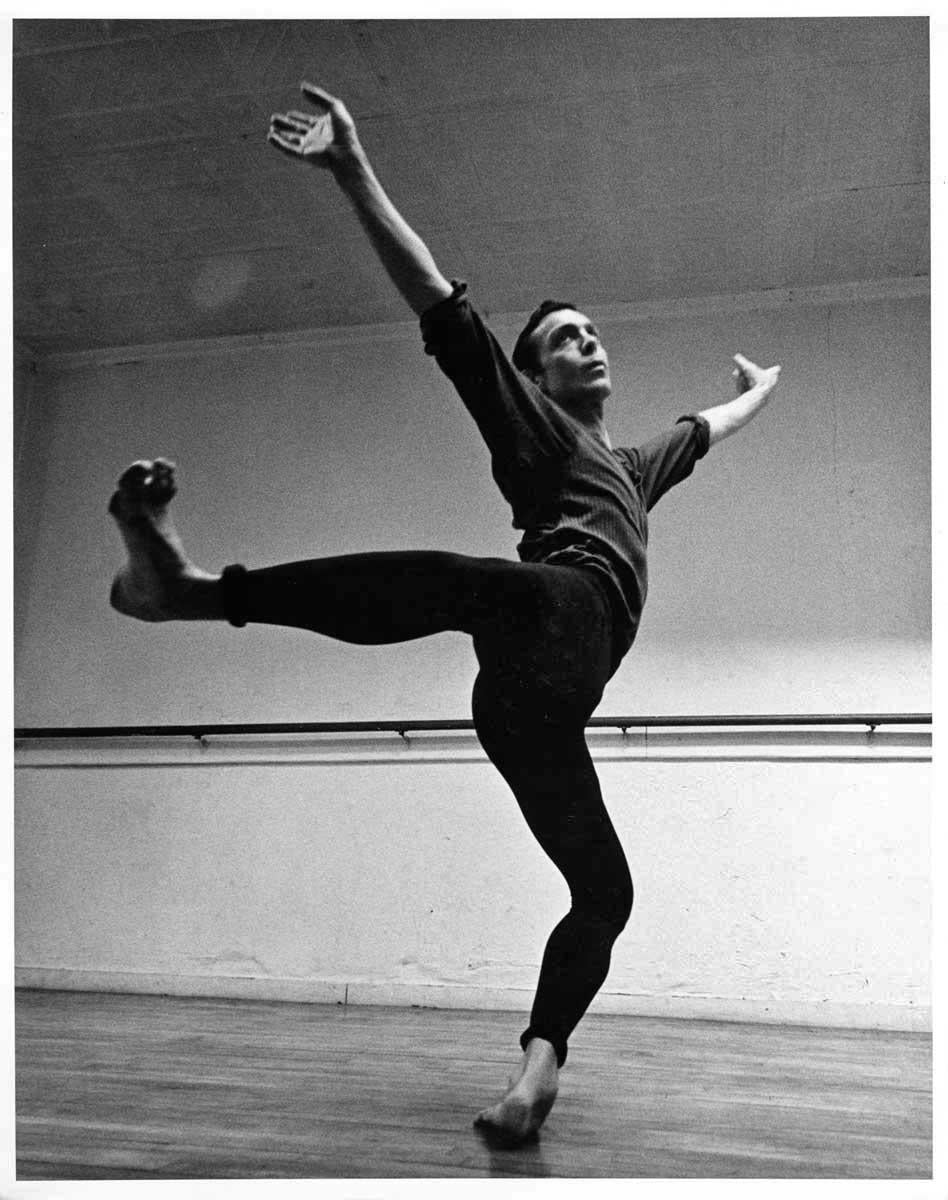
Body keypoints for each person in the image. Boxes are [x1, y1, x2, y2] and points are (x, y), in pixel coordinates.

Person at [108, 83, 781, 1146]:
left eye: (594, 331)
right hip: (550, 612)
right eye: (564, 338)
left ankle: (537, 1070)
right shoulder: (539, 433)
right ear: (536, 374)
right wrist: (350, 168)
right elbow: (443, 310)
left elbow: (712, 426)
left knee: (604, 893)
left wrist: (760, 387)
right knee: (481, 583)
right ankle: (192, 592)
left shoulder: (634, 466)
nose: (588, 344)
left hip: (538, 703)